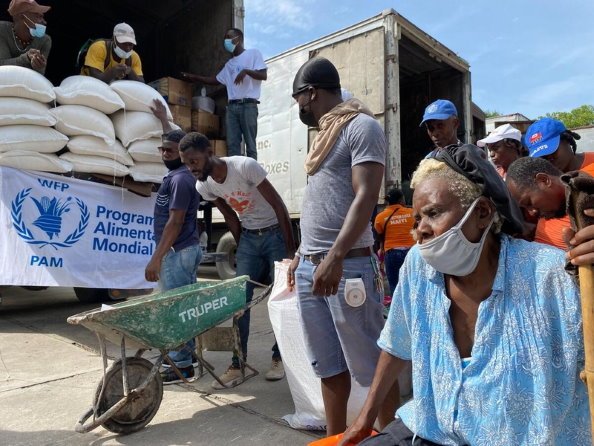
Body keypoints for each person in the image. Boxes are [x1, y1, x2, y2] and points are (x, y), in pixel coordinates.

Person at [341, 144, 589, 446]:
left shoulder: (548, 274)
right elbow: (396, 343)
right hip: (434, 426)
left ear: (482, 212)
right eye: (417, 219)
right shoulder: (418, 267)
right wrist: (363, 420)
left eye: (433, 213)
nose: (421, 230)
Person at [286, 57, 398, 435]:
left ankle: (393, 438)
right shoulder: (325, 135)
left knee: (372, 365)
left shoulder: (361, 127)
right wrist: (303, 254)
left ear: (311, 93)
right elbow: (323, 203)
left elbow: (366, 196)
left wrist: (333, 258)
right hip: (311, 266)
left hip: (346, 266)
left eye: (298, 98)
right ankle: (336, 441)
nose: (299, 107)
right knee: (328, 365)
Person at [179, 132, 295, 389]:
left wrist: (289, 252)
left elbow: (279, 206)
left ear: (209, 152)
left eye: (194, 161)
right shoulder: (204, 186)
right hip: (250, 238)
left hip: (275, 233)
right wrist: (243, 245)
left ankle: (279, 358)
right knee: (238, 303)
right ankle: (238, 363)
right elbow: (230, 215)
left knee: (279, 299)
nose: (191, 168)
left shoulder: (244, 167)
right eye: (187, 164)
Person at [144, 128, 202, 384]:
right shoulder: (179, 176)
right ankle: (188, 357)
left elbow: (175, 221)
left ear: (181, 152)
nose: (165, 153)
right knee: (186, 308)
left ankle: (181, 366)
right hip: (181, 250)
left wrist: (156, 257)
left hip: (176, 252)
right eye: (162, 149)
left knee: (177, 310)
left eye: (170, 149)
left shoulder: (179, 180)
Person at [181, 28, 266, 160]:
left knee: (250, 145)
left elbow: (263, 75)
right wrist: (195, 77)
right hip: (232, 108)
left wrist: (246, 71)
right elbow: (215, 80)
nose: (226, 41)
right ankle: (236, 177)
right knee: (232, 145)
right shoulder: (229, 64)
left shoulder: (253, 54)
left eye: (229, 37)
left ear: (238, 39)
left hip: (248, 105)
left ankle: (252, 178)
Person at [373, 187, 414, 296]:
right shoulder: (412, 213)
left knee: (395, 286)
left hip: (392, 253)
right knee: (413, 283)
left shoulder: (380, 217)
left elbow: (379, 237)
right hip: (412, 252)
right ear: (401, 200)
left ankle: (397, 310)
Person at [525, 117, 594, 176]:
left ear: (567, 140)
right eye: (542, 157)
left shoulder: (592, 162)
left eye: (552, 152)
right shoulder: (547, 184)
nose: (549, 161)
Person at [0, 0, 51, 74]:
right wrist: (26, 58)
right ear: (22, 16)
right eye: (38, 16)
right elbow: (2, 66)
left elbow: (40, 75)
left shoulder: (45, 40)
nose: (44, 21)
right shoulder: (2, 30)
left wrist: (38, 66)